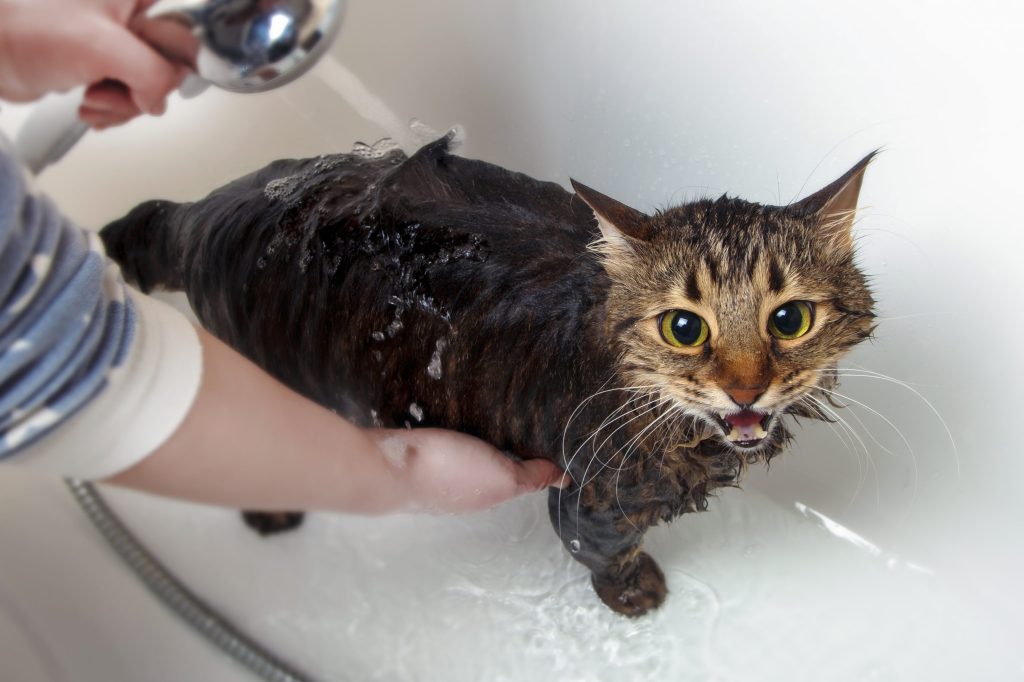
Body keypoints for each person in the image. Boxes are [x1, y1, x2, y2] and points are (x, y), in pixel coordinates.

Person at [0, 0, 566, 515]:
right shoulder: (33, 331)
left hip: (252, 228)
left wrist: (16, 39)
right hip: (235, 274)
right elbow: (89, 382)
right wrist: (402, 474)